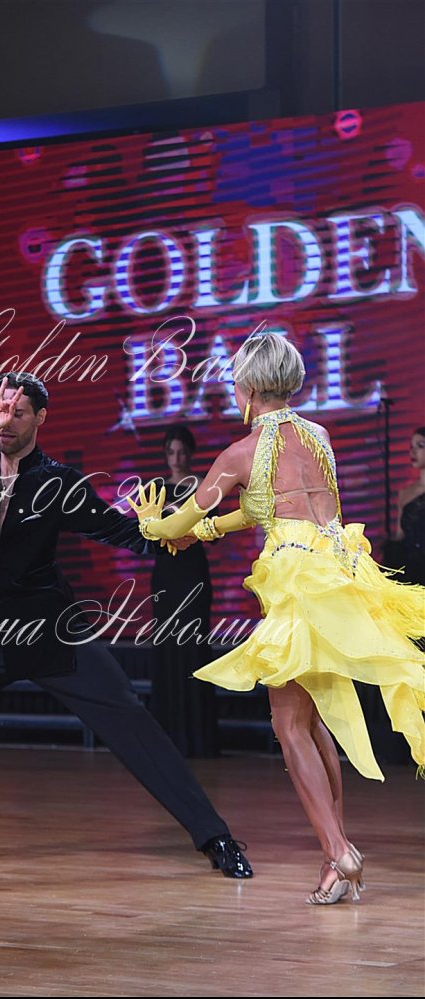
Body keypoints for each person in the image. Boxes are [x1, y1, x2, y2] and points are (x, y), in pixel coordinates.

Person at [0, 372, 252, 878]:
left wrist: (171, 533)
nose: (6, 421)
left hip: (50, 632)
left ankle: (215, 836)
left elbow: (117, 528)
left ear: (40, 418)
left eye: (18, 412)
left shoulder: (57, 481)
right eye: (0, 410)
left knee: (130, 719)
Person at [129, 333, 425, 905]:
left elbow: (184, 517)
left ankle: (340, 851)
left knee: (289, 725)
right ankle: (335, 860)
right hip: (338, 574)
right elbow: (269, 506)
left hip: (297, 584)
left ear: (247, 385)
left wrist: (153, 525)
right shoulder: (319, 436)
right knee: (312, 723)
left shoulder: (240, 454)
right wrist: (209, 531)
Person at [149, 424, 218, 757]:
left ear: (190, 453)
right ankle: (167, 738)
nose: (175, 458)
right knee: (166, 649)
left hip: (192, 575)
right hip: (165, 575)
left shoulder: (204, 488)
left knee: (193, 649)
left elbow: (213, 532)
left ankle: (197, 739)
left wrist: (188, 530)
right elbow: (146, 533)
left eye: (181, 452)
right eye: (170, 452)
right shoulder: (156, 489)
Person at [395, 427, 425, 586]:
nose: (413, 452)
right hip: (412, 572)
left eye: (420, 446)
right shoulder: (405, 494)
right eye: (411, 447)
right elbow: (400, 536)